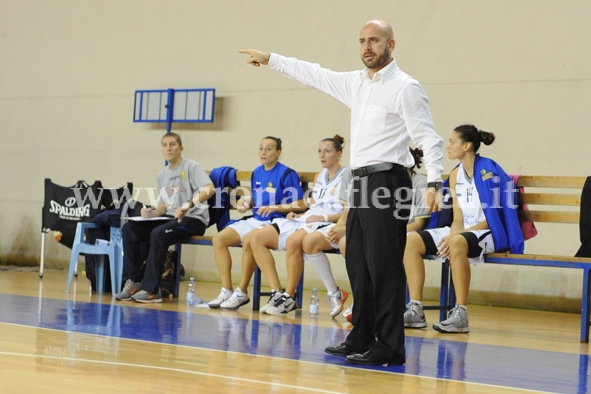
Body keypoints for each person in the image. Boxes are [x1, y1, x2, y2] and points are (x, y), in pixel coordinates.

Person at [239, 19, 444, 366]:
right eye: (363, 41)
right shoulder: (355, 84)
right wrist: (272, 59)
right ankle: (362, 334)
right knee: (359, 262)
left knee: (384, 266)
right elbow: (313, 74)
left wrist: (436, 182)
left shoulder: (405, 87)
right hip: (360, 182)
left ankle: (390, 345)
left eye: (375, 40)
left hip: (388, 182)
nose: (367, 46)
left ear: (390, 46)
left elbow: (428, 138)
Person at [403, 125, 524, 333]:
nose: (447, 146)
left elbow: (494, 218)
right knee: (410, 239)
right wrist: (453, 233)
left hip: (488, 231)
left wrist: (457, 237)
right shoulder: (454, 175)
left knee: (457, 242)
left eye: (452, 142)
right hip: (463, 232)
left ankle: (460, 314)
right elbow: (457, 217)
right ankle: (415, 309)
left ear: (466, 145)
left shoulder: (490, 171)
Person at [321, 148, 432, 321]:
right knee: (346, 242)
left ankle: (388, 303)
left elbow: (418, 223)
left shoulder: (418, 182)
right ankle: (363, 298)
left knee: (380, 246)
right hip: (379, 229)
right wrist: (341, 228)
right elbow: (353, 213)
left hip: (404, 231)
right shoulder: (371, 179)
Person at [248, 135, 346, 315]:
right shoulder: (320, 176)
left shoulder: (347, 175)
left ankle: (289, 296)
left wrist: (322, 217)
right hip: (310, 219)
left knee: (294, 242)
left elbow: (348, 211)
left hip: (328, 222)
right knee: (255, 237)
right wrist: (300, 214)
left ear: (338, 154)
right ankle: (277, 293)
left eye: (327, 151)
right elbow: (313, 203)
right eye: (319, 151)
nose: (322, 155)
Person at [208, 136, 306, 310]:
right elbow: (257, 197)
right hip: (255, 219)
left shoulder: (286, 173)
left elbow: (299, 204)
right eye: (261, 148)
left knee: (250, 240)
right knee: (218, 239)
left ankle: (244, 291)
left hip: (276, 221)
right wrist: (244, 202)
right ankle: (227, 290)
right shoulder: (257, 172)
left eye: (268, 149)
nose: (263, 152)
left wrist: (275, 207)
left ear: (278, 153)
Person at [116, 132, 215, 303]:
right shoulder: (162, 175)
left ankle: (152, 290)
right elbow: (163, 206)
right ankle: (135, 281)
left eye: (173, 144)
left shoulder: (192, 166)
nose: (168, 148)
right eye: (164, 145)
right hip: (170, 219)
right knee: (130, 229)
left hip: (193, 219)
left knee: (159, 233)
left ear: (181, 148)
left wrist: (187, 205)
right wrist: (151, 212)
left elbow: (209, 188)